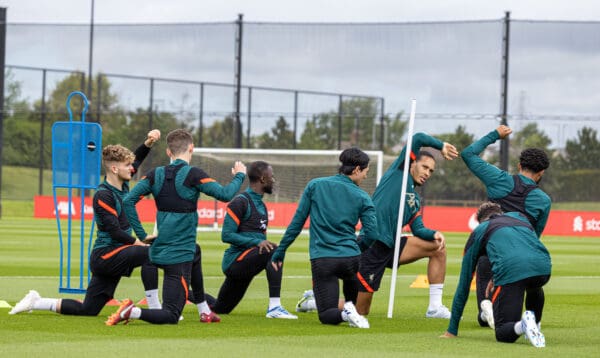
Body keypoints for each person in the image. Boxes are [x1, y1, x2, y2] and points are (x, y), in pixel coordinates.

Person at [10, 130, 163, 317]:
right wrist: (139, 242)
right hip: (106, 256)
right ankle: (157, 309)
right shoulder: (103, 195)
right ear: (114, 169)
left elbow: (137, 159)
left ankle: (37, 301)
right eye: (127, 165)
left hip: (115, 255)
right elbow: (115, 232)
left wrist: (148, 142)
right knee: (150, 254)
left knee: (88, 310)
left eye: (131, 164)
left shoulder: (122, 184)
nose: (132, 168)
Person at [106, 129, 246, 325]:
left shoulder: (155, 174)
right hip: (178, 256)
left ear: (168, 152)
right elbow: (226, 194)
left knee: (196, 251)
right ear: (191, 148)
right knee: (171, 315)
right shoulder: (194, 174)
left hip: (159, 248)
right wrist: (240, 175)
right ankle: (133, 311)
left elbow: (128, 201)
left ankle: (204, 310)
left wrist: (142, 234)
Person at [271, 148, 378, 329]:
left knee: (327, 314)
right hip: (351, 259)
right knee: (350, 297)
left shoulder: (315, 185)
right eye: (366, 172)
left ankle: (346, 314)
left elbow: (297, 223)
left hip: (324, 260)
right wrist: (358, 247)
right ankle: (351, 311)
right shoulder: (363, 196)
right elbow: (373, 233)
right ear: (357, 169)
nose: (365, 177)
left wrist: (281, 250)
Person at [355, 132, 458, 319]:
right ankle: (317, 301)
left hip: (393, 247)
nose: (427, 173)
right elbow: (417, 138)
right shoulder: (399, 173)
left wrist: (434, 233)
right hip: (373, 244)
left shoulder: (414, 200)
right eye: (424, 167)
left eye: (431, 171)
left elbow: (418, 229)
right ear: (412, 164)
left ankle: (435, 307)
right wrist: (441, 145)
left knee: (438, 248)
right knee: (360, 311)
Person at [461, 125, 551, 328]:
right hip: (522, 256)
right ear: (541, 173)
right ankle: (533, 322)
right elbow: (534, 236)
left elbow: (467, 154)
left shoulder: (498, 179)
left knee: (484, 261)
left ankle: (485, 311)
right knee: (534, 282)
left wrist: (496, 135)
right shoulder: (543, 200)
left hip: (492, 245)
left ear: (519, 166)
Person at [442, 202, 551, 348]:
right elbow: (524, 248)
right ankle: (535, 325)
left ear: (480, 220)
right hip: (543, 267)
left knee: (503, 332)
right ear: (501, 212)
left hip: (512, 271)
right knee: (534, 284)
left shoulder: (480, 229)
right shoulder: (520, 217)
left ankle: (523, 325)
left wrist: (452, 329)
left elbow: (464, 283)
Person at [205, 161, 297, 319]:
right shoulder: (240, 202)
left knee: (220, 308)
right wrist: (257, 243)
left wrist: (259, 249)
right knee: (274, 250)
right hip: (234, 262)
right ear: (262, 179)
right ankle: (274, 307)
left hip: (246, 263)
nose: (273, 180)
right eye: (271, 176)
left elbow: (261, 245)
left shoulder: (262, 205)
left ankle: (183, 293)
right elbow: (226, 235)